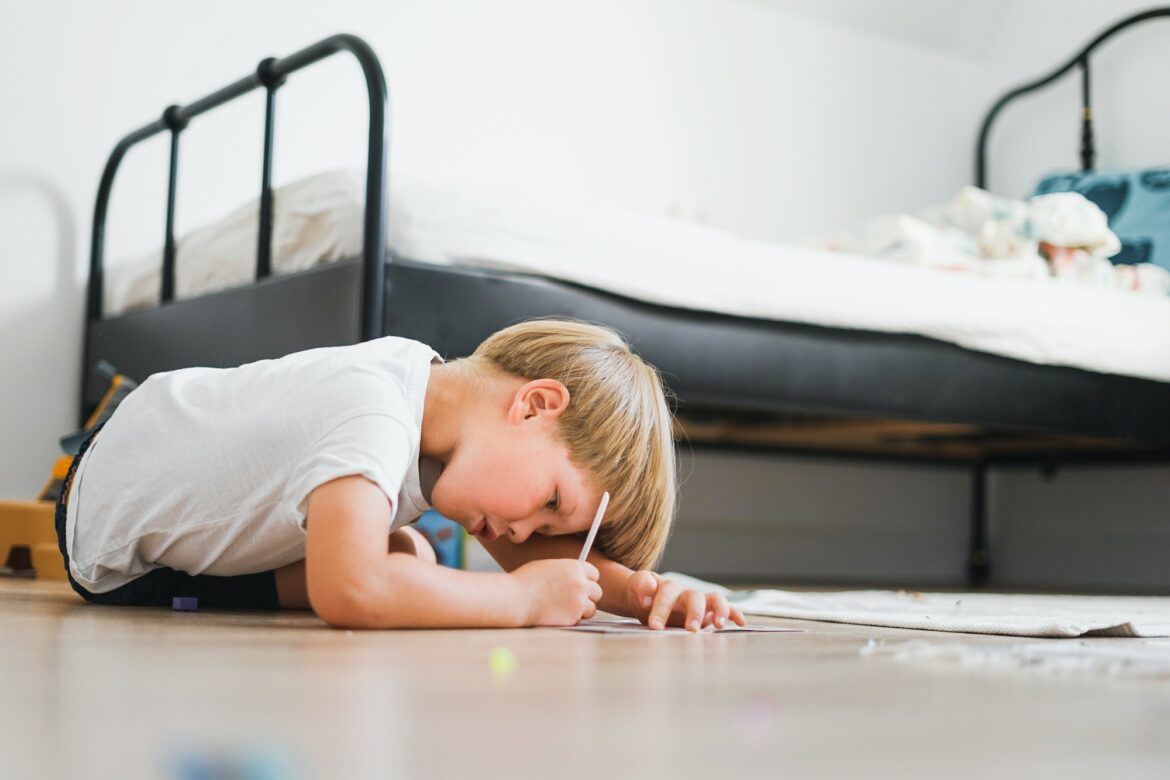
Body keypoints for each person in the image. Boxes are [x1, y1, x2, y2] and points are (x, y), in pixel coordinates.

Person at [56, 319, 746, 631]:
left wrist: (648, 594)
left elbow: (538, 559)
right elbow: (347, 591)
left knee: (405, 554)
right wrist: (519, 603)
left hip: (170, 516)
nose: (523, 531)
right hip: (110, 537)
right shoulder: (376, 411)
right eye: (548, 502)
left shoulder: (440, 407)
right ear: (534, 404)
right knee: (378, 569)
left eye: (548, 526)